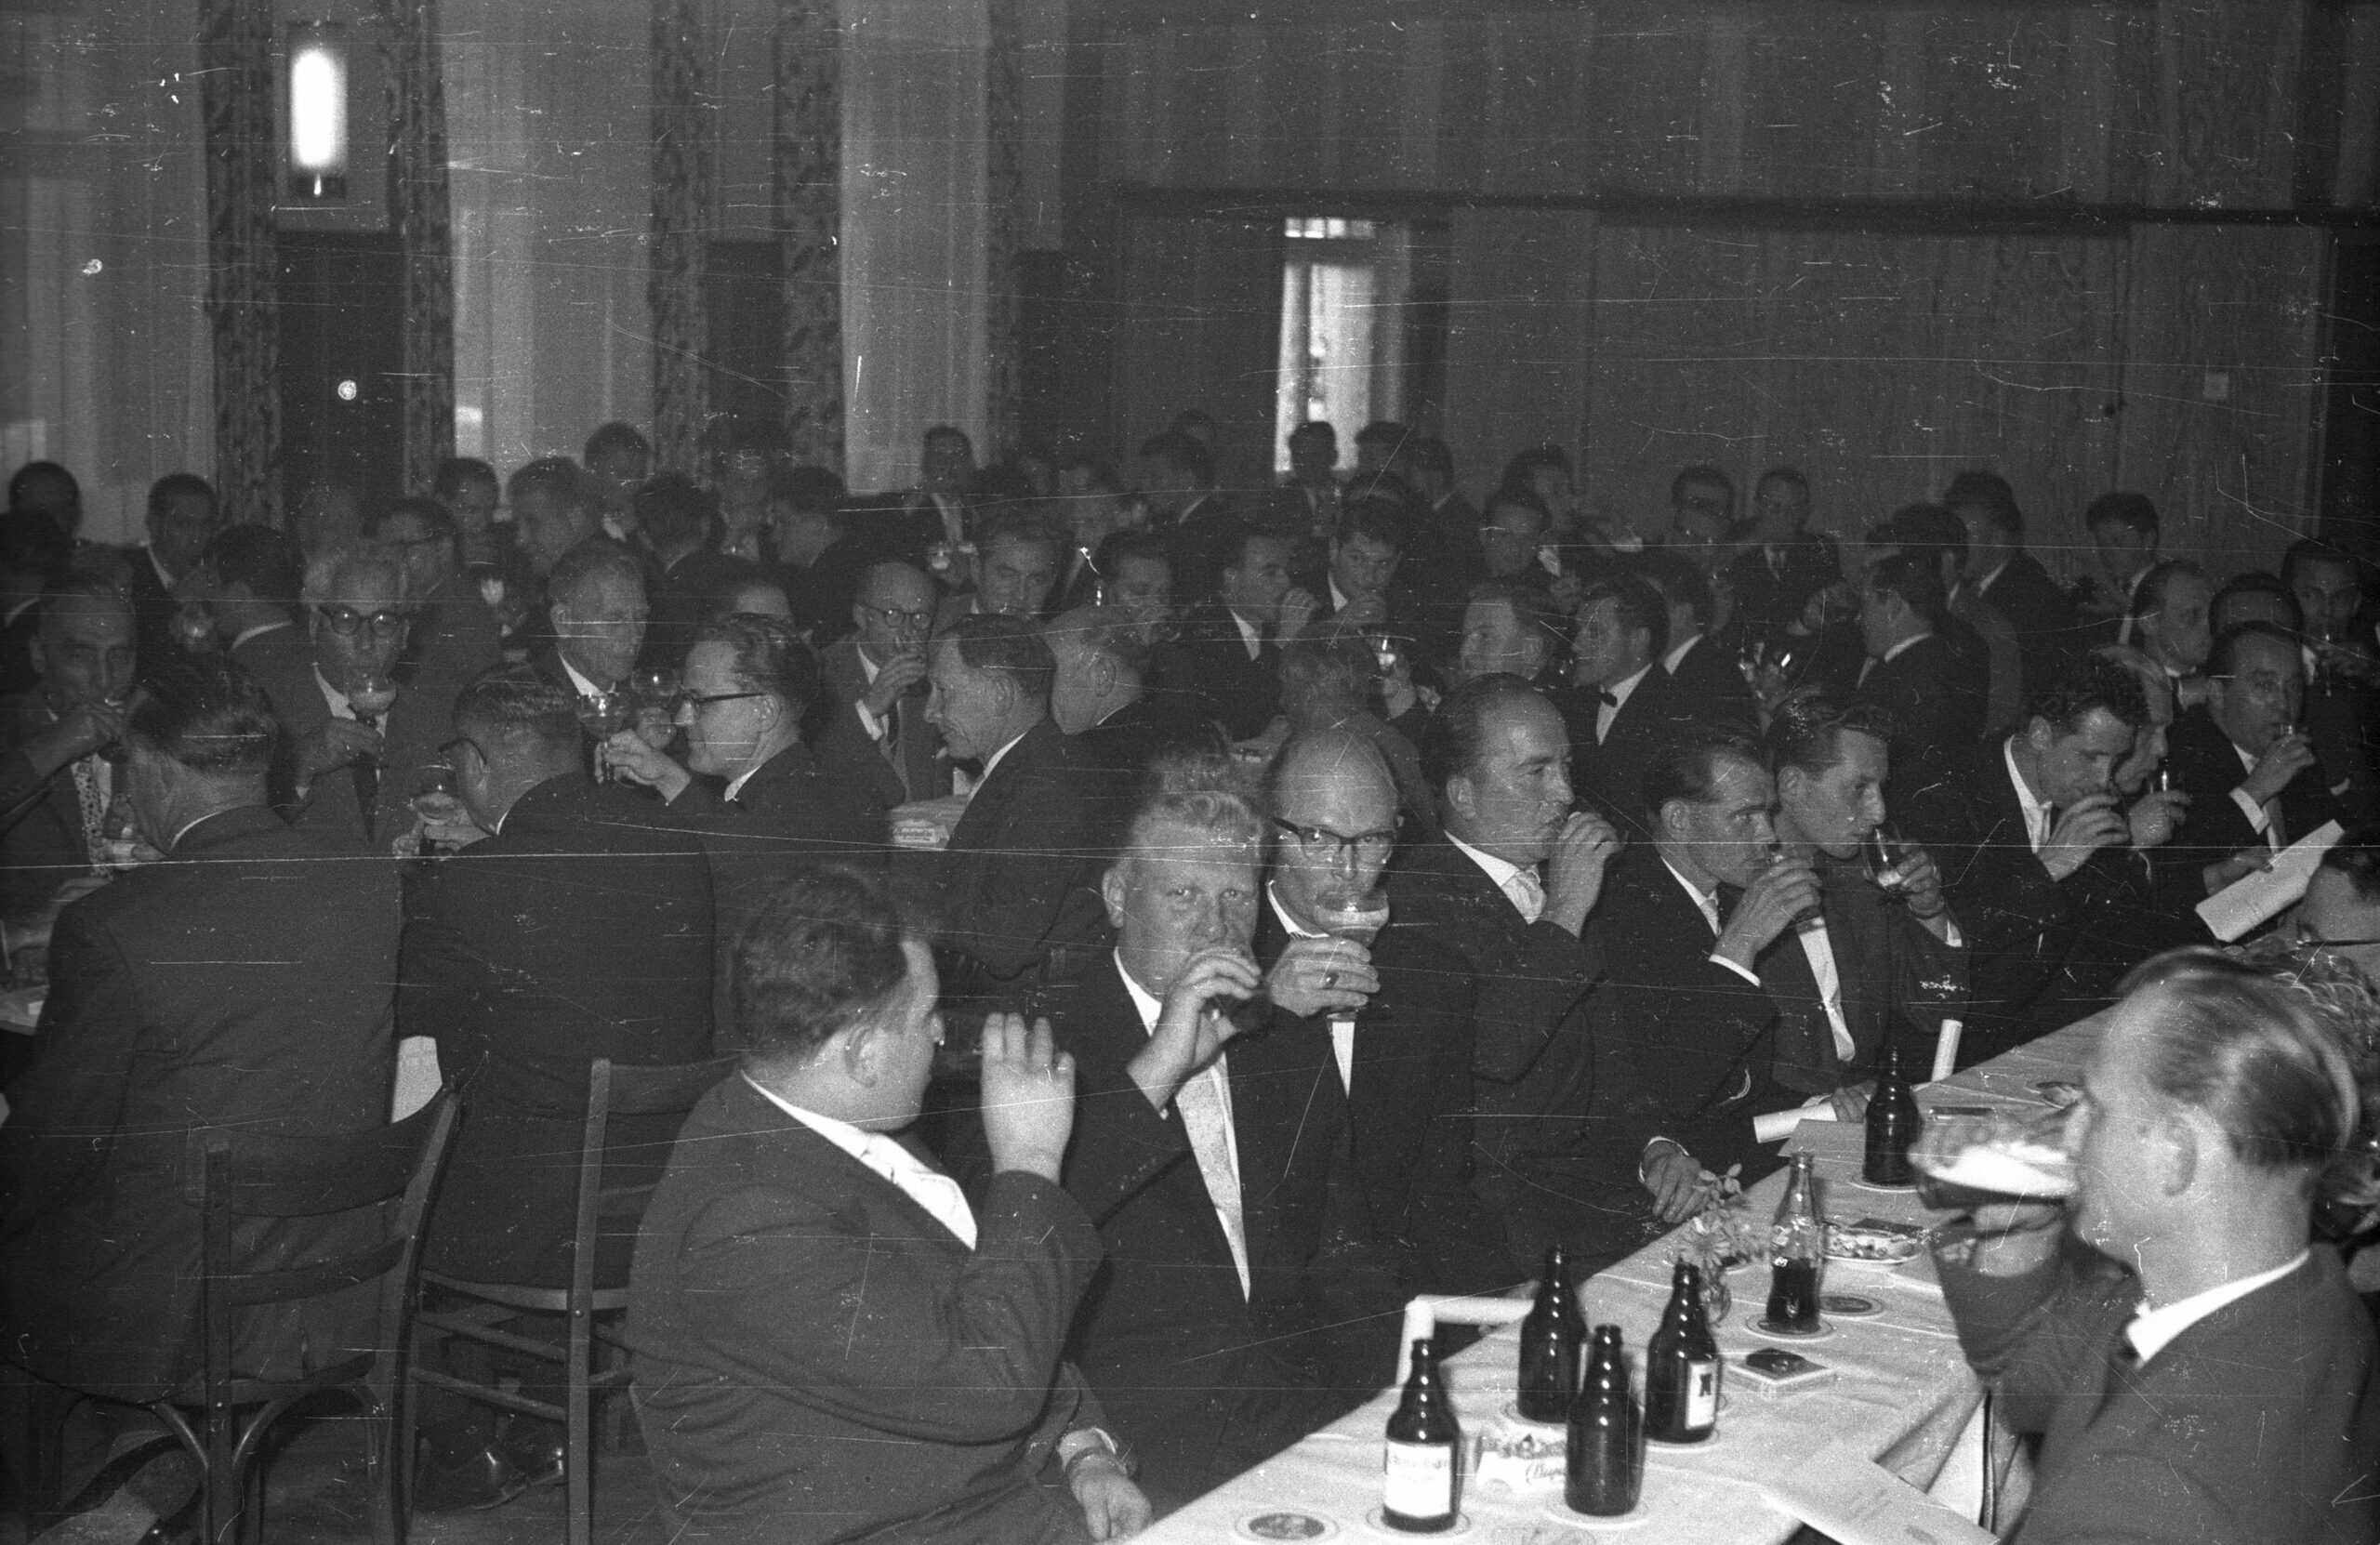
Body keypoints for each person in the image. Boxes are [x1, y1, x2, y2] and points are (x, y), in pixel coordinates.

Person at [627, 868, 1149, 1545]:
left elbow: (984, 1302)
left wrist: (1084, 1450)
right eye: (926, 1016)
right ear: (863, 1054)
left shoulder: (831, 1123)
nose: (940, 1034)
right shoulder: (747, 1220)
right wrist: (1030, 1160)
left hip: (984, 1505)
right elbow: (987, 1385)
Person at [1, 657, 398, 1510]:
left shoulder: (111, 926)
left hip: (180, 1311)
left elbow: (50, 1151)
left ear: (149, 767)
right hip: (335, 1285)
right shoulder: (369, 880)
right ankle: (144, 1475)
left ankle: (94, 1499)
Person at [1927, 949, 2380, 1544]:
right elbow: (2027, 1387)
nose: (2068, 1135)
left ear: (2175, 1153)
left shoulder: (2142, 1507)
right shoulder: (2301, 1297)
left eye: (2094, 1108)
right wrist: (2018, 1224)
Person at [399, 667, 714, 1504]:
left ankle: (465, 1450)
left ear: (475, 763)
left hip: (535, 1226)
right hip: (662, 1202)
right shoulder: (676, 845)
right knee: (531, 1110)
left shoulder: (471, 882)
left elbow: (413, 1020)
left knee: (396, 1183)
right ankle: (545, 1427)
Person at [1049, 779, 1356, 1507]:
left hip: (1301, 1419)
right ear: (1119, 896)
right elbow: (1031, 1230)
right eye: (1183, 895)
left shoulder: (1279, 1037)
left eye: (1236, 897)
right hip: (1138, 1443)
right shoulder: (1049, 1044)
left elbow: (1343, 1243)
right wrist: (1161, 1064)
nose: (1216, 927)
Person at [1391, 675, 1636, 1267]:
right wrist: (1565, 911)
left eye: (1566, 768)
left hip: (1597, 1188)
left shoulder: (1560, 880)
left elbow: (1610, 1048)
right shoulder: (1413, 900)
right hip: (1499, 1220)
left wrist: (1655, 1143)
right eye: (1536, 772)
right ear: (1463, 794)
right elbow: (1494, 1049)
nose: (1565, 794)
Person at [1261, 729, 1504, 1297]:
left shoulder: (1434, 980)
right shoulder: (1225, 965)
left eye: (1371, 840)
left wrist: (1494, 1295)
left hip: (1381, 1286)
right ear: (1271, 834)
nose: (1348, 869)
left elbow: (1439, 1188)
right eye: (1320, 838)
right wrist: (1263, 1013)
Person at [1599, 725, 1858, 1208]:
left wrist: (1814, 1107)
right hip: (1665, 1170)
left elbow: (1745, 1077)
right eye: (1744, 817)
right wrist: (1740, 942)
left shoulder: (1725, 896)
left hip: (1737, 1144)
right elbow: (1671, 1085)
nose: (1768, 834)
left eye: (1767, 813)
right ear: (1678, 819)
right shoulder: (1618, 911)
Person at [603, 614, 884, 1032]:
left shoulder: (809, 805)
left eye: (700, 702)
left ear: (764, 711)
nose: (682, 718)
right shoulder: (788, 790)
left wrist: (671, 780)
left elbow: (744, 855)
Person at [1908, 654, 2184, 1060]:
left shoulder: (2091, 798)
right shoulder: (1945, 795)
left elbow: (2115, 934)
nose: (2104, 778)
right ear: (2040, 734)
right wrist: (2048, 867)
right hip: (1963, 1042)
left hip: (2052, 1033)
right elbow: (1949, 940)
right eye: (2091, 756)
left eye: (2116, 760)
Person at [1765, 690, 1966, 1092]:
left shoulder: (1861, 874)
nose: (1879, 812)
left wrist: (1929, 911)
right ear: (1792, 785)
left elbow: (1935, 1012)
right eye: (1859, 788)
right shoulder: (1733, 888)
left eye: (1880, 788)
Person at [908, 614, 1100, 1002]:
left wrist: (906, 901)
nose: (930, 712)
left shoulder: (1047, 788)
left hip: (1017, 1008)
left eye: (943, 691)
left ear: (1000, 694)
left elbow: (1002, 942)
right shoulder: (1037, 763)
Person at [238, 541, 444, 853]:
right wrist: (298, 769)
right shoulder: (264, 714)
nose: (365, 642)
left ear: (404, 634)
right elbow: (241, 839)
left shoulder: (434, 723)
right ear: (314, 625)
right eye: (346, 619)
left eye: (383, 623)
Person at [2159, 621, 2347, 916]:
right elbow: (2184, 872)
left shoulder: (2293, 753)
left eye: (2294, 686)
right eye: (2265, 686)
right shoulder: (2179, 755)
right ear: (2217, 692)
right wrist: (2255, 790)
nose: (2284, 704)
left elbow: (2335, 841)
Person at [0, 578, 137, 929]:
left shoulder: (154, 734)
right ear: (39, 655)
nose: (103, 678)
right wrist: (54, 745)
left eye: (120, 656)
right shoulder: (8, 727)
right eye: (80, 656)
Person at [1167, 527, 1315, 741]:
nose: (1286, 583)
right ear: (1232, 578)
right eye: (1270, 573)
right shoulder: (1203, 631)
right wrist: (1283, 641)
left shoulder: (1274, 625)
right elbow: (1235, 715)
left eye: (1285, 571)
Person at [1946, 469, 2079, 702]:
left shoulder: (2037, 600)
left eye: (1965, 537)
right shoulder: (1964, 590)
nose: (1955, 549)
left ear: (1999, 538)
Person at [1854, 551, 1973, 811]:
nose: (1858, 618)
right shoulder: (1944, 662)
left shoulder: (1906, 678)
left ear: (1894, 605)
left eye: (1864, 604)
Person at [819, 560, 943, 808]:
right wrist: (867, 710)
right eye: (893, 615)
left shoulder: (937, 673)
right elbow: (818, 763)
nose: (909, 631)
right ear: (862, 616)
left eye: (920, 617)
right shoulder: (823, 673)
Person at [1567, 573, 1675, 835]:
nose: (1576, 645)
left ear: (1638, 639)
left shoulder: (1676, 711)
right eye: (1579, 631)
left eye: (1594, 632)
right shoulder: (1572, 703)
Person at [372, 496, 503, 692]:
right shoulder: (415, 605)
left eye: (401, 547)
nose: (387, 559)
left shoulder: (460, 614)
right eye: (382, 549)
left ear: (443, 549)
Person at [1639, 549, 1753, 730]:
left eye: (1650, 607)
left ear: (1682, 613)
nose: (1638, 618)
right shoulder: (1681, 668)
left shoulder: (1711, 679)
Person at [120, 473, 222, 665]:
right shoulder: (124, 572)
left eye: (205, 525)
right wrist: (173, 602)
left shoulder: (216, 571)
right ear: (153, 524)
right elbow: (128, 653)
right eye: (183, 524)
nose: (197, 537)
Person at [1728, 466, 1841, 640]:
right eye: (1774, 507)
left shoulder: (1819, 549)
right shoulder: (1732, 540)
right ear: (1757, 506)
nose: (1783, 516)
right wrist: (1753, 540)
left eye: (1793, 509)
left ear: (1805, 512)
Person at [2075, 491, 2161, 645]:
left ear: (2148, 540)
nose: (2108, 553)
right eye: (2102, 544)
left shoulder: (2169, 583)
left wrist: (2118, 599)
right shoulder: (2092, 591)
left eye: (2118, 543)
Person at [582, 420, 651, 541]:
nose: (634, 484)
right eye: (623, 474)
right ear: (593, 472)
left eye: (640, 475)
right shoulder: (579, 529)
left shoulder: (649, 526)